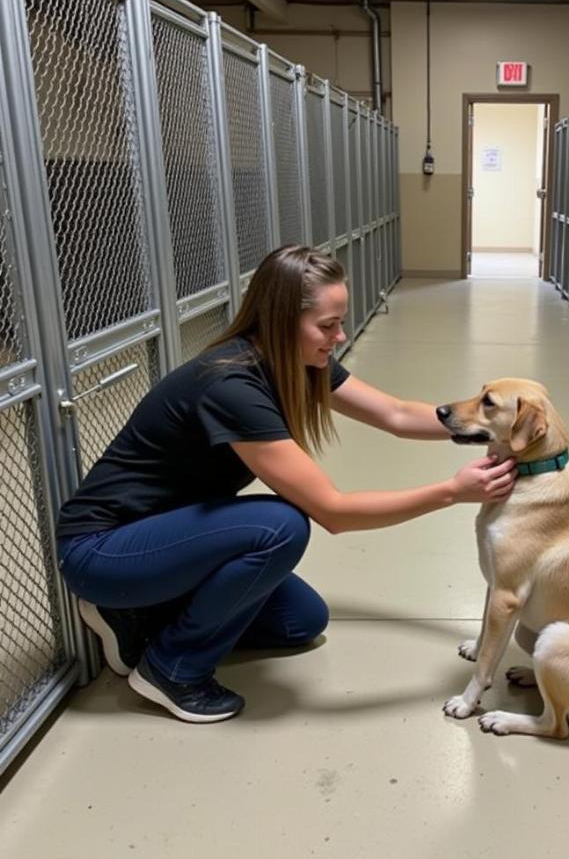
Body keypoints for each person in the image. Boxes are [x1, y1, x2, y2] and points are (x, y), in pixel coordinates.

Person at [56, 245, 516, 724]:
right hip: (102, 550)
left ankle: (136, 617)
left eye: (341, 322)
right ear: (279, 320)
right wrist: (452, 491)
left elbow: (396, 414)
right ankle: (171, 669)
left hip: (167, 535)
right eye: (326, 326)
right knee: (281, 525)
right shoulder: (232, 385)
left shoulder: (298, 362)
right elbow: (333, 511)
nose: (339, 336)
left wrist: (485, 423)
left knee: (302, 621)